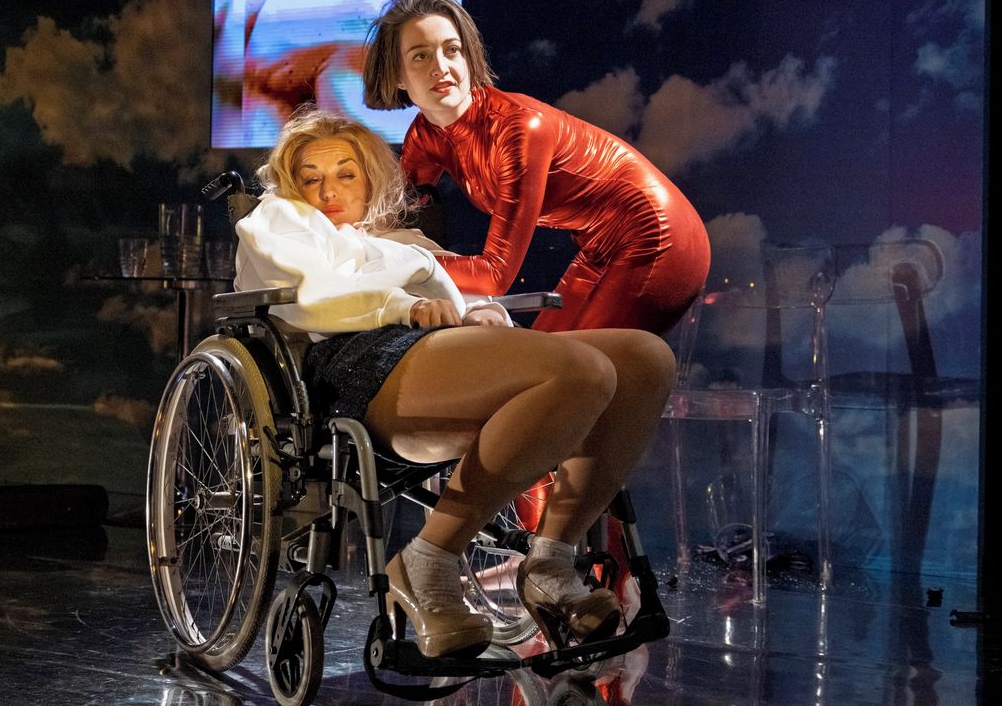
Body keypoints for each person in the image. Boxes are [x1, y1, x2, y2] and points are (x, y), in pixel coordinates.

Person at [234, 105, 677, 659]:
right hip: (358, 361)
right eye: (310, 177)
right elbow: (315, 293)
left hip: (438, 348)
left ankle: (550, 562)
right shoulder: (280, 220)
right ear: (289, 184)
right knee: (583, 371)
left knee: (644, 359)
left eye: (346, 174)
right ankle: (428, 559)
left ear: (372, 181)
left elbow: (458, 290)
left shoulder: (401, 240)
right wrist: (404, 306)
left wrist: (486, 309)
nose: (329, 190)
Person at [363, 0, 711, 602]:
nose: (442, 67)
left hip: (658, 236)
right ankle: (542, 559)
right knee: (540, 392)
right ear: (396, 76)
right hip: (598, 246)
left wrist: (389, 259)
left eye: (452, 50)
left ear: (470, 57)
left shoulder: (518, 127)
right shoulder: (424, 137)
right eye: (420, 56)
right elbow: (390, 220)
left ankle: (598, 576)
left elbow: (495, 273)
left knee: (590, 393)